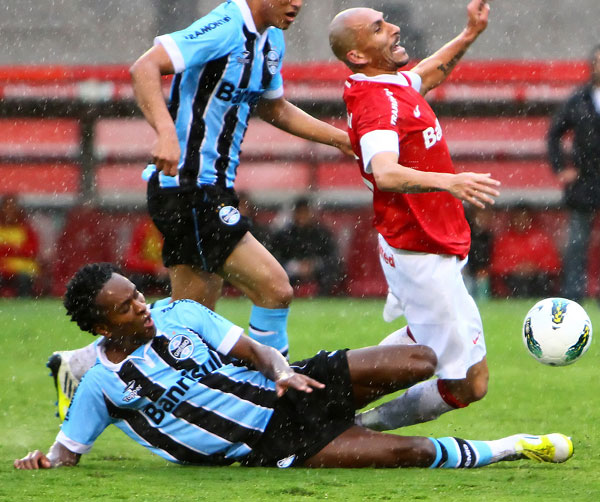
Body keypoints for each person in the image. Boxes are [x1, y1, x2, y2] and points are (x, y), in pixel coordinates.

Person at [47, 0, 352, 418]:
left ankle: (83, 367)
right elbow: (144, 67)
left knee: (191, 319)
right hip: (188, 187)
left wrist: (337, 138)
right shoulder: (227, 24)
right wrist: (165, 134)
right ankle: (275, 397)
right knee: (275, 288)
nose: (297, 2)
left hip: (207, 188)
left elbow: (271, 107)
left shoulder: (270, 38)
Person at [14, 263, 573, 470]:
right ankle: (513, 445)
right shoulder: (101, 389)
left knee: (421, 359)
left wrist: (280, 370)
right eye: (126, 307)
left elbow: (253, 351)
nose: (141, 305)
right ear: (100, 327)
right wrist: (43, 461)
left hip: (290, 385)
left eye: (136, 294)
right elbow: (66, 453)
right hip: (270, 443)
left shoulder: (179, 312)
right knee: (415, 454)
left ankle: (365, 420)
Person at [328, 0, 501, 430]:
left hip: (430, 245)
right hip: (419, 252)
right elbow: (384, 171)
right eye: (379, 27)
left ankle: (324, 398)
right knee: (468, 384)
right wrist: (452, 182)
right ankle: (358, 428)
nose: (394, 28)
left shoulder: (389, 85)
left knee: (419, 345)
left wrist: (469, 33)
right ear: (358, 55)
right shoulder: (374, 104)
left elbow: (430, 72)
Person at [547, 45, 600, 303]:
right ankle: (573, 295)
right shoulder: (578, 99)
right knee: (578, 242)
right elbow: (554, 133)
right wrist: (561, 167)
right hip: (584, 180)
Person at [272, 197, 344, 296]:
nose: (303, 216)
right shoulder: (284, 235)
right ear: (294, 214)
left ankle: (323, 298)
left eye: (306, 212)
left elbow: (333, 256)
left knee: (330, 271)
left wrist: (315, 264)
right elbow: (275, 257)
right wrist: (294, 265)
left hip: (317, 270)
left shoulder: (321, 233)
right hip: (290, 271)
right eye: (300, 212)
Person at [490, 205, 561, 297]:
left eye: (524, 218)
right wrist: (515, 268)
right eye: (518, 218)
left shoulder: (541, 238)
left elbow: (554, 264)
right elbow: (496, 265)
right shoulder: (503, 240)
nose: (521, 221)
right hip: (512, 279)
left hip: (537, 279)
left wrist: (535, 267)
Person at [0, 195, 40, 297]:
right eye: (7, 207)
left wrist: (8, 249)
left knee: (24, 281)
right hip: (2, 269)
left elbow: (32, 250)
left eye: (12, 207)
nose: (9, 211)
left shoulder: (26, 229)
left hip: (23, 270)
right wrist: (16, 249)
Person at [122, 215, 170, 295]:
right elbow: (130, 260)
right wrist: (154, 268)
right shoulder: (144, 229)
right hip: (147, 274)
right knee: (135, 281)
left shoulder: (171, 231)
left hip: (168, 274)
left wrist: (167, 267)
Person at [463, 206, 494, 300]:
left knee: (482, 283)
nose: (482, 219)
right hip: (466, 267)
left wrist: (485, 268)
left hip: (481, 270)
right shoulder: (467, 232)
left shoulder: (487, 236)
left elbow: (490, 255)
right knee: (466, 286)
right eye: (480, 215)